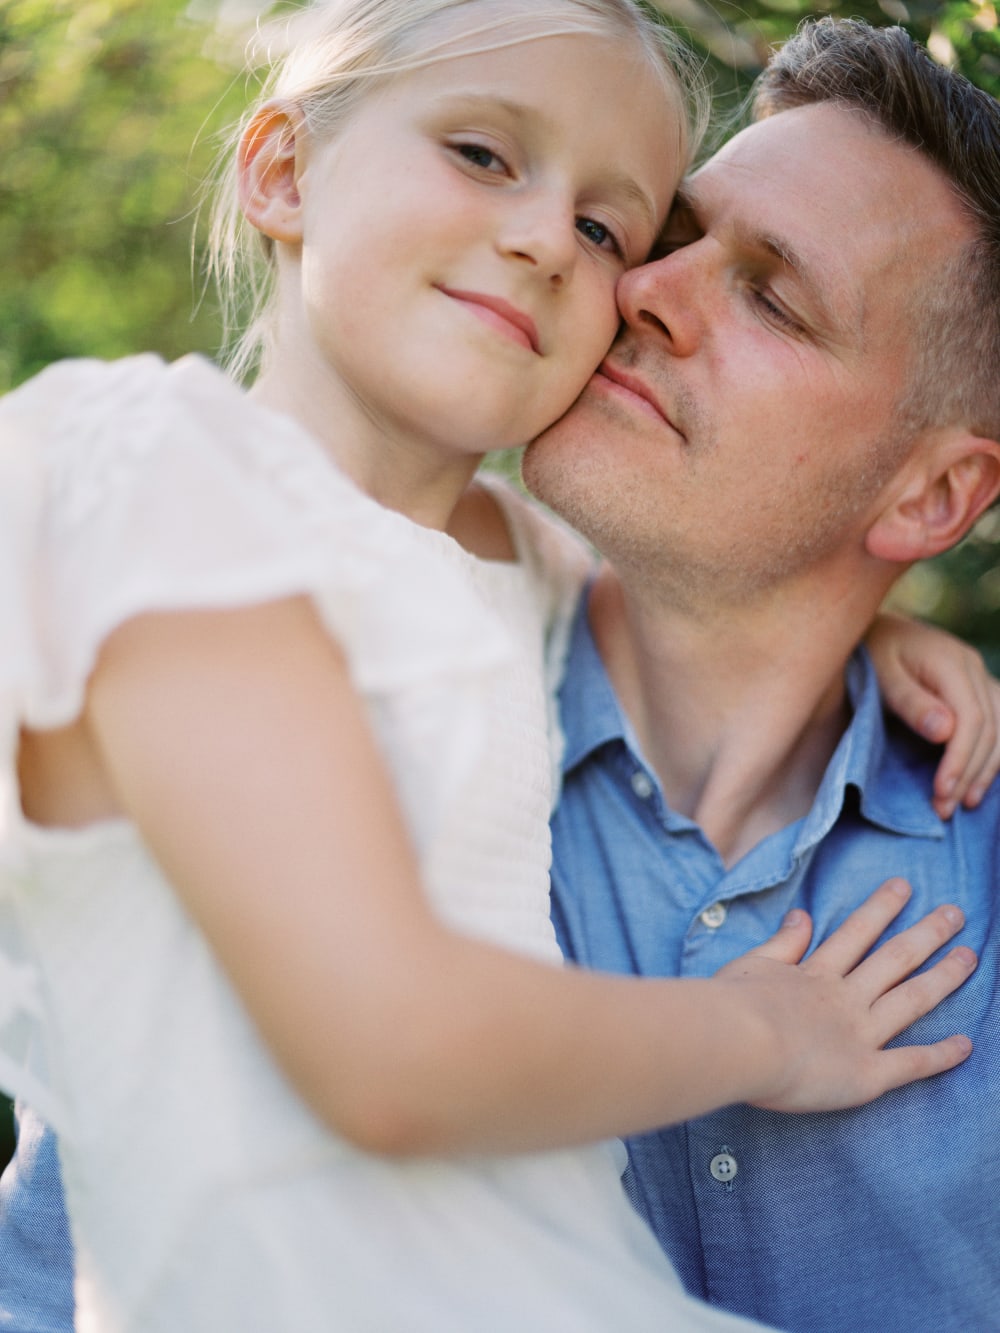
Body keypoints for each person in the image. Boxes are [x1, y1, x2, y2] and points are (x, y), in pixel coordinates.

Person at [0, 0, 990, 1329]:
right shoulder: (155, 499)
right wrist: (767, 1031)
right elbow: (374, 1061)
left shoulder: (485, 568)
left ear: (932, 497)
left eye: (604, 228)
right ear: (282, 170)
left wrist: (873, 624)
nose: (616, 278)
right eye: (481, 154)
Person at [528, 16, 1000, 1332]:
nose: (642, 291)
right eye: (675, 237)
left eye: (774, 297)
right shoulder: (344, 741)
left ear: (935, 491)